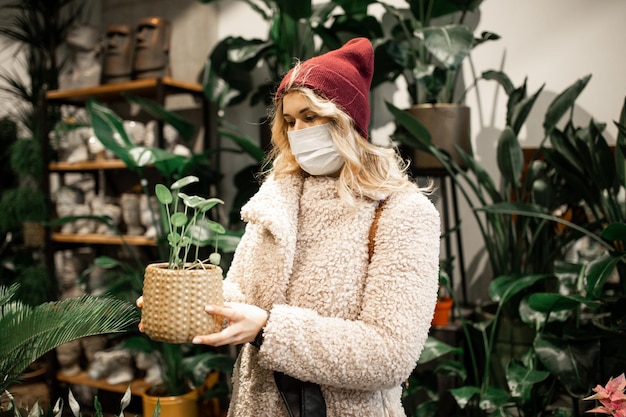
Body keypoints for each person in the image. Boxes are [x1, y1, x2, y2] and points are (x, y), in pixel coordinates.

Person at [138, 37, 440, 417]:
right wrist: (189, 304)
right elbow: (243, 291)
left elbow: (390, 354)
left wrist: (268, 331)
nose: (298, 132)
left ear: (347, 119)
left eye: (311, 117)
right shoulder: (277, 198)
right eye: (291, 120)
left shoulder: (402, 212)